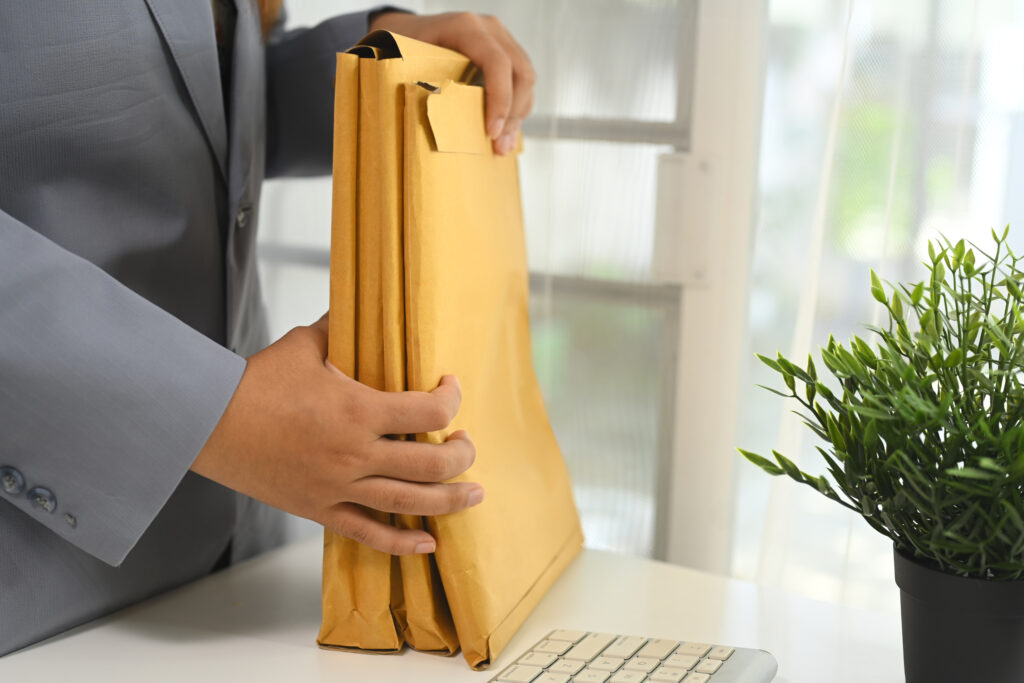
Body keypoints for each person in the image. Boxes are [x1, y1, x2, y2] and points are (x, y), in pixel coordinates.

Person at [0, 1, 535, 656]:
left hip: (243, 568)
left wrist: (378, 59)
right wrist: (209, 415)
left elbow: (195, 93)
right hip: (35, 597)